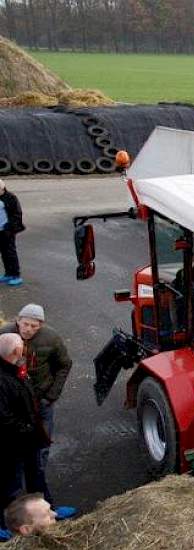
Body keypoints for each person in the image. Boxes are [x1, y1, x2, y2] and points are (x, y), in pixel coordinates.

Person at [0, 304, 74, 519]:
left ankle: (44, 509)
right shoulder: (5, 339)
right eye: (25, 324)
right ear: (17, 321)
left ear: (41, 326)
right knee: (11, 466)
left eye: (34, 326)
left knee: (37, 457)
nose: (28, 330)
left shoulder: (50, 338)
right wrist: (22, 425)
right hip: (17, 414)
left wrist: (50, 396)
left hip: (38, 406)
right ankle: (10, 518)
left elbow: (64, 364)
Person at [0, 333, 47, 539]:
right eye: (22, 347)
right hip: (12, 444)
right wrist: (27, 427)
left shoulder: (17, 368)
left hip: (29, 439)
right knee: (11, 484)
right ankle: (9, 525)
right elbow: (4, 418)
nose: (25, 350)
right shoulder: (2, 380)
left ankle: (47, 510)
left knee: (36, 474)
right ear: (15, 352)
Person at [0, 179, 24, 287]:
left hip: (7, 230)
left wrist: (9, 228)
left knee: (10, 253)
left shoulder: (11, 197)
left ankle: (16, 275)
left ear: (2, 188)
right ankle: (8, 273)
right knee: (4, 254)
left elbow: (17, 214)